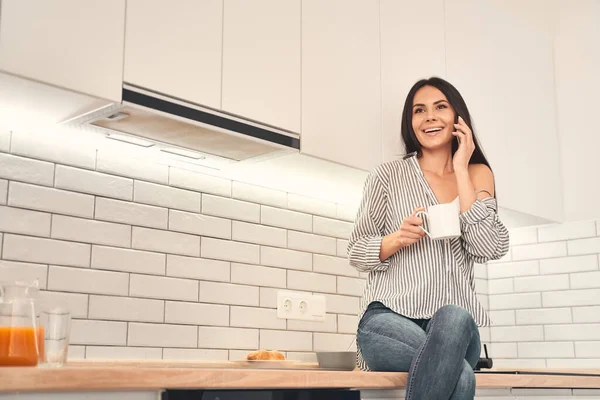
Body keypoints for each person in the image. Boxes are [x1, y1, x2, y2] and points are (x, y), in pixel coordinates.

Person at [347, 77, 510, 400]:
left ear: (457, 118)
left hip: (457, 331)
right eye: (419, 111)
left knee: (455, 315)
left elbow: (488, 247)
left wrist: (462, 169)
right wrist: (397, 238)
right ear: (411, 123)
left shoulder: (478, 174)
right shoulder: (387, 176)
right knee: (460, 376)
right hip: (388, 320)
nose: (429, 117)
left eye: (440, 107)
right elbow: (356, 250)